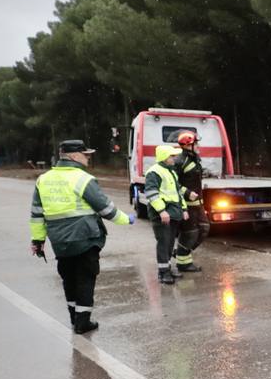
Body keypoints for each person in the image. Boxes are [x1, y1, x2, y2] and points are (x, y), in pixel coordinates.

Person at [29, 139, 133, 333]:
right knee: (85, 278)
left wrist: (38, 240)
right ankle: (83, 322)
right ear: (74, 156)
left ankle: (74, 318)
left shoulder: (43, 179)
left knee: (69, 279)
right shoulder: (82, 179)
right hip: (85, 239)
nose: (88, 157)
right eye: (85, 154)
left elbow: (36, 213)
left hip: (60, 241)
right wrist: (128, 219)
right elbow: (106, 209)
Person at [144, 144, 188, 285]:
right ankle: (163, 273)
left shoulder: (171, 171)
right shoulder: (154, 172)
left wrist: (184, 209)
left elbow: (177, 193)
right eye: (172, 156)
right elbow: (151, 194)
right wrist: (162, 211)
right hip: (162, 214)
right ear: (164, 157)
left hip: (173, 213)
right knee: (163, 242)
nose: (174, 158)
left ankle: (168, 268)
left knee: (169, 243)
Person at [173, 131, 208, 273]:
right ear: (188, 145)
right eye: (196, 143)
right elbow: (173, 184)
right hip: (186, 205)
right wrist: (187, 193)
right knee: (191, 233)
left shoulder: (194, 159)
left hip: (198, 204)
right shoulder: (180, 161)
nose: (198, 145)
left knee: (204, 229)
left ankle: (180, 251)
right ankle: (183, 263)